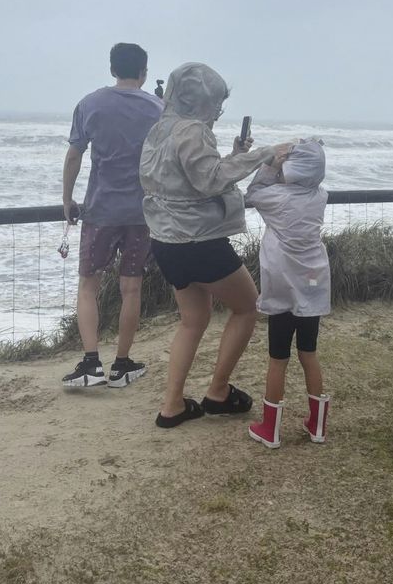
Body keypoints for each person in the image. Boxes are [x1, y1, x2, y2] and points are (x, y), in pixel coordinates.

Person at [139, 62, 293, 428]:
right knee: (247, 308)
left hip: (165, 239)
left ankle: (172, 405)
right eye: (216, 103)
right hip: (199, 242)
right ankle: (218, 392)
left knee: (193, 321)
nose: (217, 111)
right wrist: (262, 155)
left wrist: (235, 155)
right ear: (205, 100)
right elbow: (209, 182)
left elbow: (190, 177)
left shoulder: (161, 129)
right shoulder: (193, 130)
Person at [60, 43, 163, 388]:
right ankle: (122, 365)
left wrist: (66, 199)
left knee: (89, 285)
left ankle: (91, 363)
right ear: (144, 72)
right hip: (141, 212)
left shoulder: (90, 104)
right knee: (131, 288)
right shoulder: (158, 108)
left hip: (101, 209)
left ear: (112, 69)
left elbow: (74, 155)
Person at [245, 139, 331, 449]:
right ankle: (317, 425)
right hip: (313, 283)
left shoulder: (277, 198)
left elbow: (252, 193)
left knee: (278, 359)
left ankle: (271, 428)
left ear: (291, 170)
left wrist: (270, 165)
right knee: (309, 353)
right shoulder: (320, 195)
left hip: (283, 288)